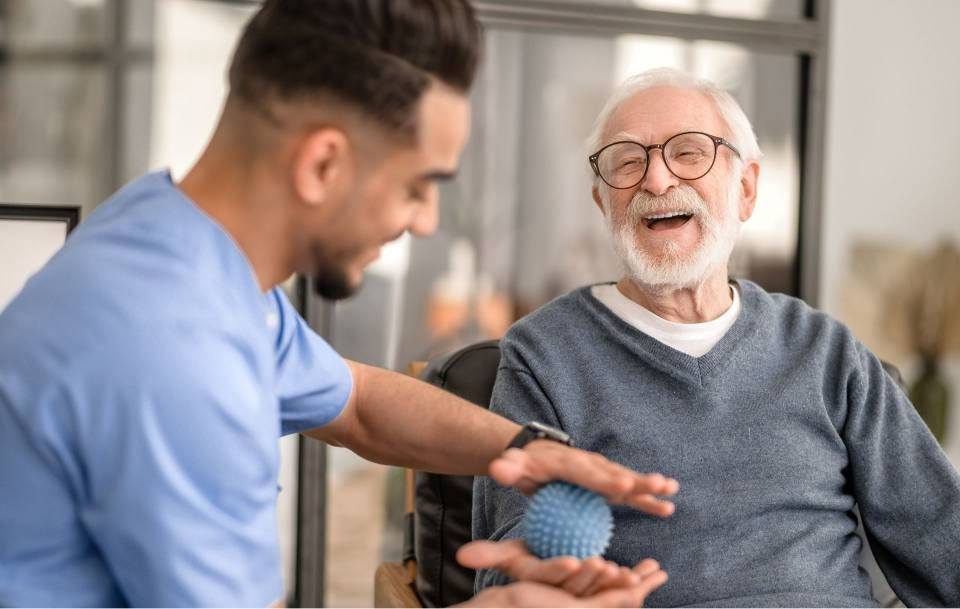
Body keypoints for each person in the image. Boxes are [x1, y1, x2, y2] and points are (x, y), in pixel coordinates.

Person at [0, 2, 680, 607]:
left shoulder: (178, 250)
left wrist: (527, 451)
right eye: (419, 185)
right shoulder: (173, 355)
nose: (424, 220)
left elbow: (355, 401)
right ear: (324, 163)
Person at [473, 67, 960, 607]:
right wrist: (552, 577)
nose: (656, 181)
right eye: (628, 161)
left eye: (687, 153)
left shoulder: (826, 352)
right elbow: (508, 566)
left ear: (745, 188)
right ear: (601, 203)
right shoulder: (544, 355)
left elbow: (941, 533)